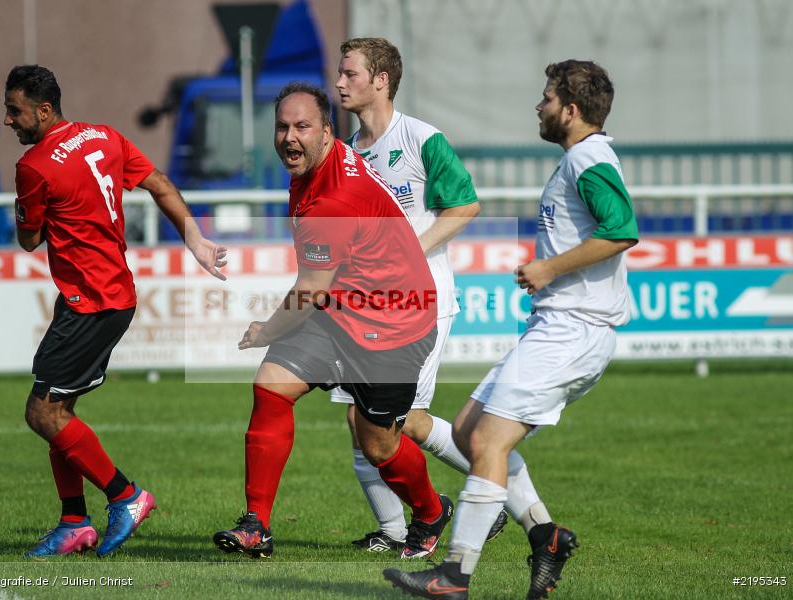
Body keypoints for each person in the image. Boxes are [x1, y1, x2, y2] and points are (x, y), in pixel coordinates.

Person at [384, 59, 639, 599]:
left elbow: (621, 230)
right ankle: (546, 536)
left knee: (491, 441)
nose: (539, 106)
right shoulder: (577, 158)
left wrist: (548, 268)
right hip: (557, 324)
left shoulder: (590, 157)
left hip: (576, 327)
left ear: (571, 110)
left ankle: (454, 577)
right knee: (467, 430)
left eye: (547, 97)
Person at [212, 82, 453, 560]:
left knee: (379, 445)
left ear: (326, 132)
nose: (288, 137)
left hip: (394, 328)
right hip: (343, 310)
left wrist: (264, 331)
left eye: (301, 127)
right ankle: (255, 525)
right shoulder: (325, 159)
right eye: (282, 126)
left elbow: (309, 291)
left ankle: (430, 513)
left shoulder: (332, 201)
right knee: (271, 387)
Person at [5, 65, 227, 558]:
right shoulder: (103, 136)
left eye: (15, 110)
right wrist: (196, 240)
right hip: (110, 295)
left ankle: (125, 495)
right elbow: (161, 183)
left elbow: (27, 239)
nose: (7, 120)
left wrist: (36, 214)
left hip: (91, 301)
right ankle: (73, 522)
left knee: (42, 412)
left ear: (43, 111)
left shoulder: (35, 166)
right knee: (61, 410)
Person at [334, 37, 512, 554]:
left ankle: (491, 492)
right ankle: (395, 530)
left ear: (381, 80)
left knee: (393, 421)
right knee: (359, 421)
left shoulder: (421, 139)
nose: (340, 83)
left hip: (421, 302)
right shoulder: (348, 153)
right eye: (340, 74)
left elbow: (464, 207)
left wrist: (404, 252)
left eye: (350, 74)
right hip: (368, 306)